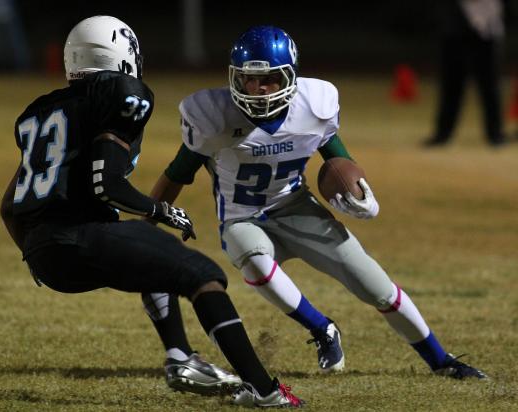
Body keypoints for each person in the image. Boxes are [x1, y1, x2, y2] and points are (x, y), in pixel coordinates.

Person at [148, 25, 488, 380]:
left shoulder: (313, 106)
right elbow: (176, 174)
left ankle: (441, 360)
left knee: (376, 286)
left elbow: (337, 158)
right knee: (255, 264)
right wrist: (147, 226)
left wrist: (361, 195)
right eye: (249, 79)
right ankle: (322, 328)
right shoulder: (213, 118)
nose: (258, 88)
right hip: (242, 218)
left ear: (290, 78)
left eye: (269, 79)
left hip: (296, 207)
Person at [0, 16, 303, 408]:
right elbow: (105, 184)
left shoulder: (39, 110)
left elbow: (10, 207)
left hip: (42, 250)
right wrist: (160, 209)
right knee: (204, 276)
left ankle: (181, 356)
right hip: (80, 235)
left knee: (153, 254)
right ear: (123, 56)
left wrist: (38, 253)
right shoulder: (119, 91)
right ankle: (266, 391)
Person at [424, 0, 507, 147]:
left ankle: (495, 133)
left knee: (489, 85)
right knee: (451, 84)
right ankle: (443, 133)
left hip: (485, 25)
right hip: (456, 24)